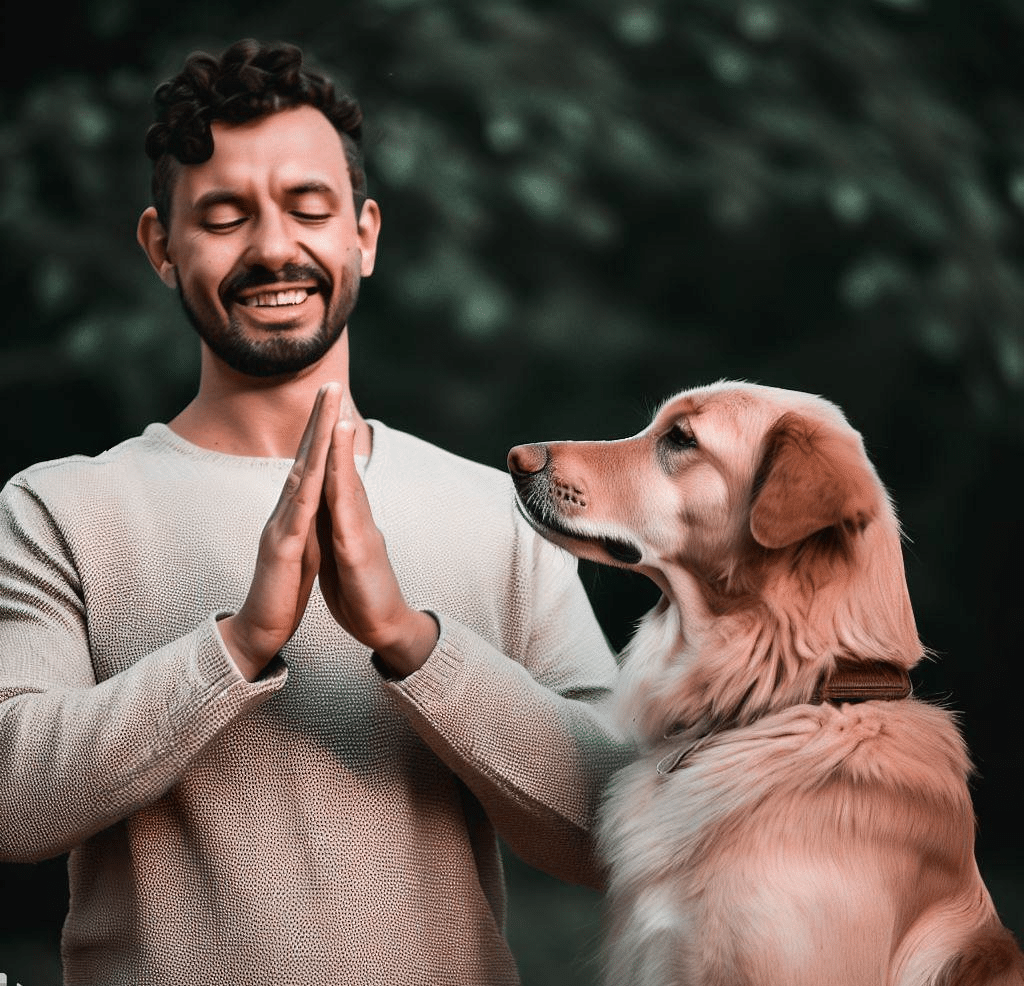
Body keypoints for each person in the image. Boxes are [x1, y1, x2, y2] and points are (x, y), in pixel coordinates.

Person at [0, 39, 628, 985]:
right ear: (161, 246)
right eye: (223, 216)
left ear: (364, 235)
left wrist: (412, 640)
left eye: (307, 208)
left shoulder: (498, 514)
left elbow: (614, 826)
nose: (273, 248)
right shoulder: (60, 507)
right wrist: (239, 644)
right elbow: (12, 803)